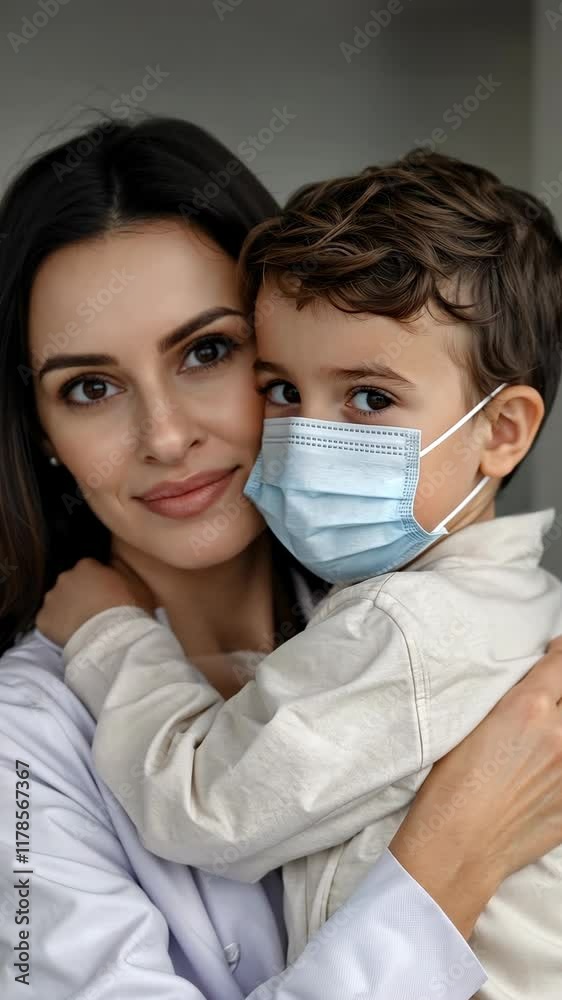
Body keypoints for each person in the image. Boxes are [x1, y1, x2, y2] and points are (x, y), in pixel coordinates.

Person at [1, 116, 562, 1000]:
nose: (166, 436)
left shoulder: (419, 624)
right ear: (41, 431)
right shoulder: (21, 748)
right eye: (91, 387)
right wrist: (451, 858)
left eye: (209, 352)